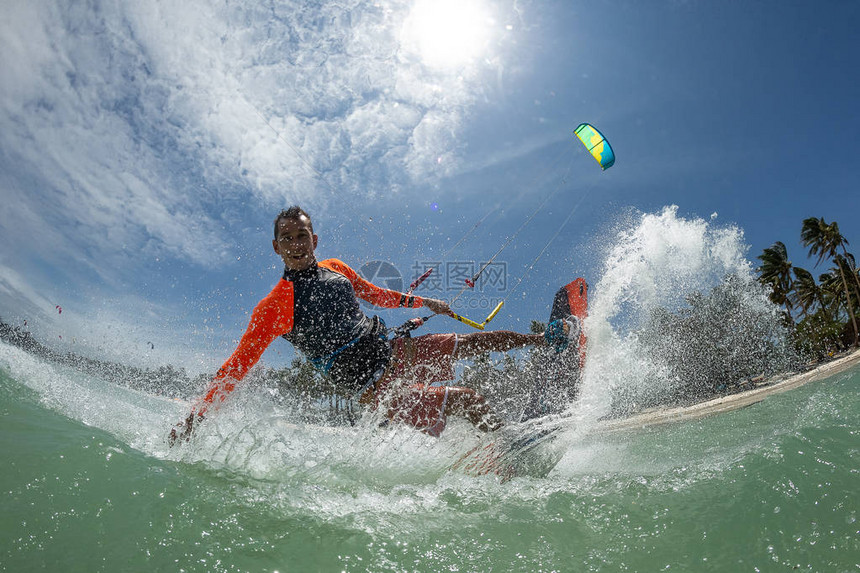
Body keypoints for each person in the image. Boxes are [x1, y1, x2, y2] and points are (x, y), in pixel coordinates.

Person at [169, 206, 549, 445]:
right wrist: (193, 420)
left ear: (314, 239)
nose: (296, 244)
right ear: (276, 247)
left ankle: (544, 340)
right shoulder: (273, 307)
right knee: (468, 398)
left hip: (392, 350)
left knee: (474, 342)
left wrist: (425, 302)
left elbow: (375, 294)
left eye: (302, 235)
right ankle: (510, 448)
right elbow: (235, 368)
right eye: (287, 238)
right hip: (374, 388)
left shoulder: (335, 267)